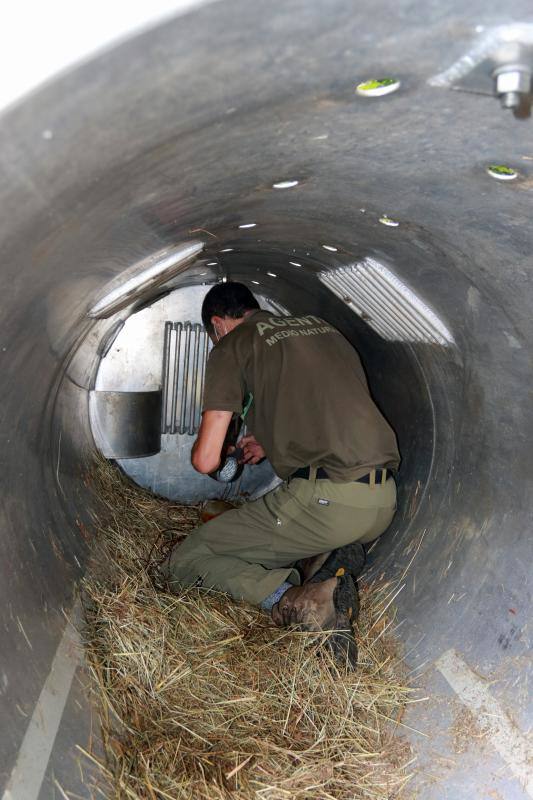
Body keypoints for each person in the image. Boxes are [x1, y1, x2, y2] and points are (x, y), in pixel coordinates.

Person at [155, 281, 400, 666]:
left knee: (188, 559)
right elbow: (326, 405)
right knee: (284, 531)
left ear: (218, 325)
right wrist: (269, 442)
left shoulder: (231, 347)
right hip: (381, 501)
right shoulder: (321, 328)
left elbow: (205, 460)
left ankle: (297, 602)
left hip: (326, 502)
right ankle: (322, 559)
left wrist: (219, 459)